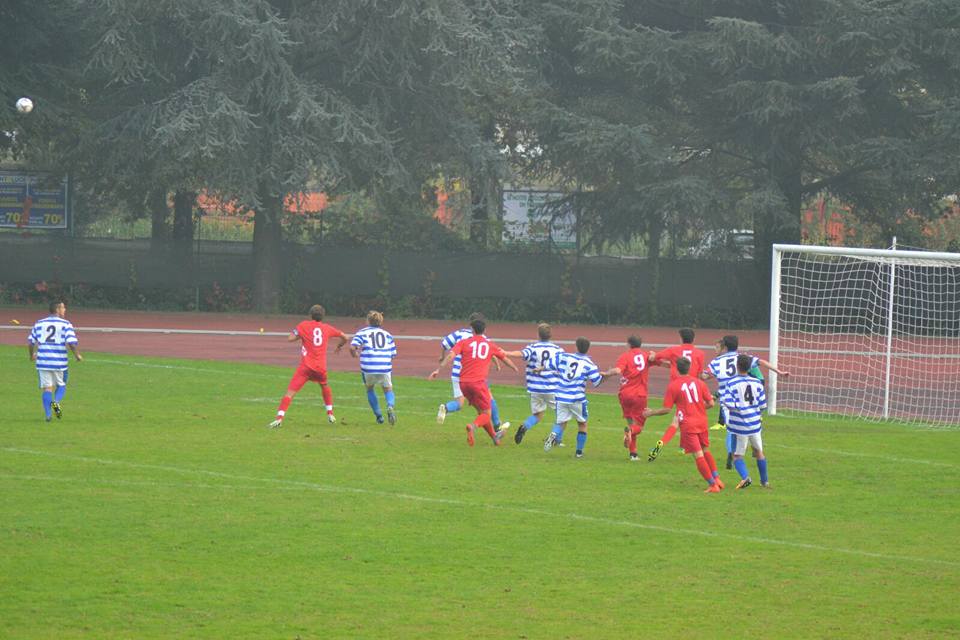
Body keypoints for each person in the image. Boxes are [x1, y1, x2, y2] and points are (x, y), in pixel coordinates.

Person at [429, 318, 519, 446]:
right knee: (487, 414)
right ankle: (473, 426)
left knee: (481, 413)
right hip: (478, 384)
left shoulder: (464, 342)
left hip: (463, 383)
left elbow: (450, 355)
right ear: (484, 330)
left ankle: (495, 438)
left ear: (472, 329)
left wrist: (438, 369)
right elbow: (504, 358)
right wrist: (514, 367)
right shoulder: (489, 344)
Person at [704, 335, 789, 469]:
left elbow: (705, 375)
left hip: (727, 399)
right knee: (750, 424)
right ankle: (752, 451)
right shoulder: (743, 358)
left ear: (724, 346)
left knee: (730, 428)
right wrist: (779, 372)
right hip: (744, 397)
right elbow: (762, 362)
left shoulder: (717, 361)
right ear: (737, 346)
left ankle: (731, 453)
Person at [644, 357, 723, 493]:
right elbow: (711, 403)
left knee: (698, 455)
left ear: (675, 369)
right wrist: (697, 407)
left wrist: (651, 413)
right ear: (690, 368)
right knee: (705, 450)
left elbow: (667, 410)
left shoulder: (674, 386)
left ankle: (712, 485)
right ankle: (717, 479)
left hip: (688, 423)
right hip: (702, 421)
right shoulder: (700, 383)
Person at [268, 304, 347, 428]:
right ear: (323, 317)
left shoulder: (304, 325)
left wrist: (301, 335)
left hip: (306, 367)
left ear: (310, 315)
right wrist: (339, 346)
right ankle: (330, 414)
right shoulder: (327, 328)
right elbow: (345, 337)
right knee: (324, 385)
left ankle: (279, 418)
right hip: (320, 367)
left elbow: (290, 338)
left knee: (290, 393)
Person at [435, 312, 506, 430]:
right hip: (474, 375)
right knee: (489, 398)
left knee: (459, 403)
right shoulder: (483, 338)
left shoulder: (459, 333)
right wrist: (497, 364)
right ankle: (497, 425)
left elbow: (445, 343)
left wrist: (442, 356)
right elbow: (491, 352)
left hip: (457, 374)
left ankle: (446, 408)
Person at [539, 337, 604, 459]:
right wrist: (608, 375)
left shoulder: (565, 357)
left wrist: (540, 368)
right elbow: (597, 382)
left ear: (576, 346)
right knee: (582, 424)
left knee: (561, 423)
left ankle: (553, 436)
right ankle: (579, 452)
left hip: (561, 396)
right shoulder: (589, 364)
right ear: (588, 349)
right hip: (576, 398)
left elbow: (549, 364)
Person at [501, 323, 564, 445]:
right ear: (550, 335)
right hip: (552, 388)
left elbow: (520, 354)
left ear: (538, 335)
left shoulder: (533, 348)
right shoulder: (558, 350)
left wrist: (506, 353)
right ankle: (556, 439)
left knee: (538, 415)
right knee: (561, 415)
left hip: (535, 388)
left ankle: (525, 426)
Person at [648, 328, 706, 458]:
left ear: (681, 339)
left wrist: (653, 355)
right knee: (682, 421)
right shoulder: (700, 353)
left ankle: (675, 447)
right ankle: (688, 449)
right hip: (693, 390)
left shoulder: (673, 350)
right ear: (694, 339)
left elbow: (655, 357)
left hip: (677, 388)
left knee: (678, 420)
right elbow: (700, 374)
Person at [601, 335, 656, 461]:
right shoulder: (646, 356)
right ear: (640, 344)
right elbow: (663, 363)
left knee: (631, 423)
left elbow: (617, 370)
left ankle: (633, 454)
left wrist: (607, 373)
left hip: (625, 394)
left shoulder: (625, 356)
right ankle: (630, 433)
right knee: (638, 427)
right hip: (639, 395)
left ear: (629, 344)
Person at [721, 354, 771, 489]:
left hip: (739, 425)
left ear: (737, 366)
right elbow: (762, 406)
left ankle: (745, 477)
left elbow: (728, 403)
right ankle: (764, 481)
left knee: (737, 456)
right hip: (755, 425)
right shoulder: (757, 383)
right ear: (750, 367)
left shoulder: (731, 383)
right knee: (759, 452)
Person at [28, 300, 82, 422]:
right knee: (61, 385)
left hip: (43, 361)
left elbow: (31, 342)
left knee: (47, 388)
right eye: (63, 308)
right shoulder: (66, 324)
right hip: (59, 362)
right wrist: (77, 355)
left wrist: (31, 355)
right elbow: (72, 343)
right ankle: (56, 403)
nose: (65, 310)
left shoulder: (39, 323)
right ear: (57, 309)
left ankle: (48, 415)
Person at [349, 310, 398, 425]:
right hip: (384, 367)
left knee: (370, 389)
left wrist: (355, 354)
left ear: (368, 321)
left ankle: (379, 416)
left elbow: (352, 347)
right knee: (388, 389)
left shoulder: (362, 332)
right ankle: (390, 406)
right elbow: (393, 354)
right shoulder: (388, 335)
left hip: (369, 367)